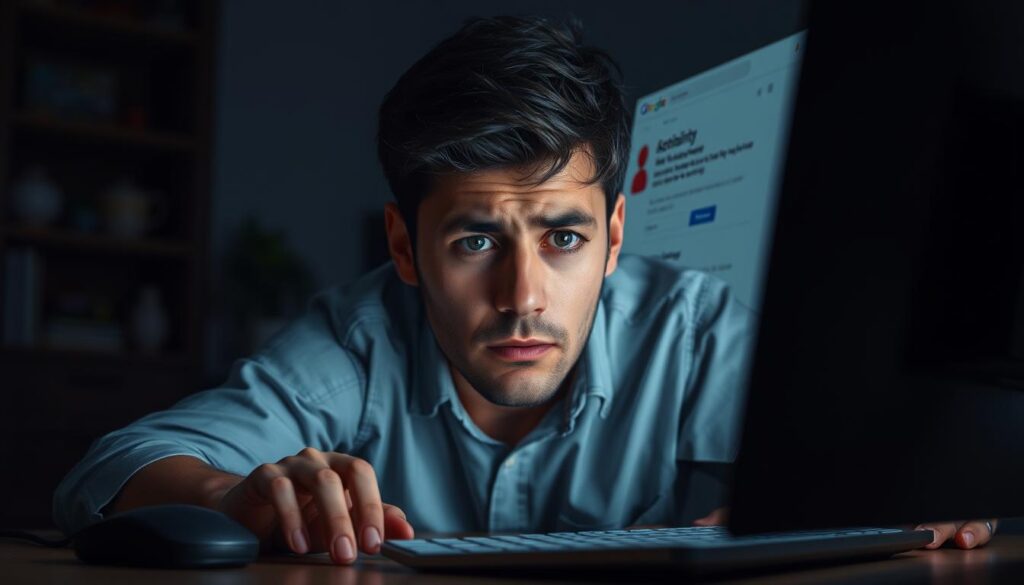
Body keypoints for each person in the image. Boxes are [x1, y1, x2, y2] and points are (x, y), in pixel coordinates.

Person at [53, 16, 997, 565]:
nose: (523, 294)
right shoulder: (356, 339)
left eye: (566, 236)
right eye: (473, 239)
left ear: (616, 235)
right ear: (405, 246)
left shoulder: (696, 332)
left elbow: (883, 454)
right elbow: (117, 466)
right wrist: (235, 493)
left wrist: (915, 486)